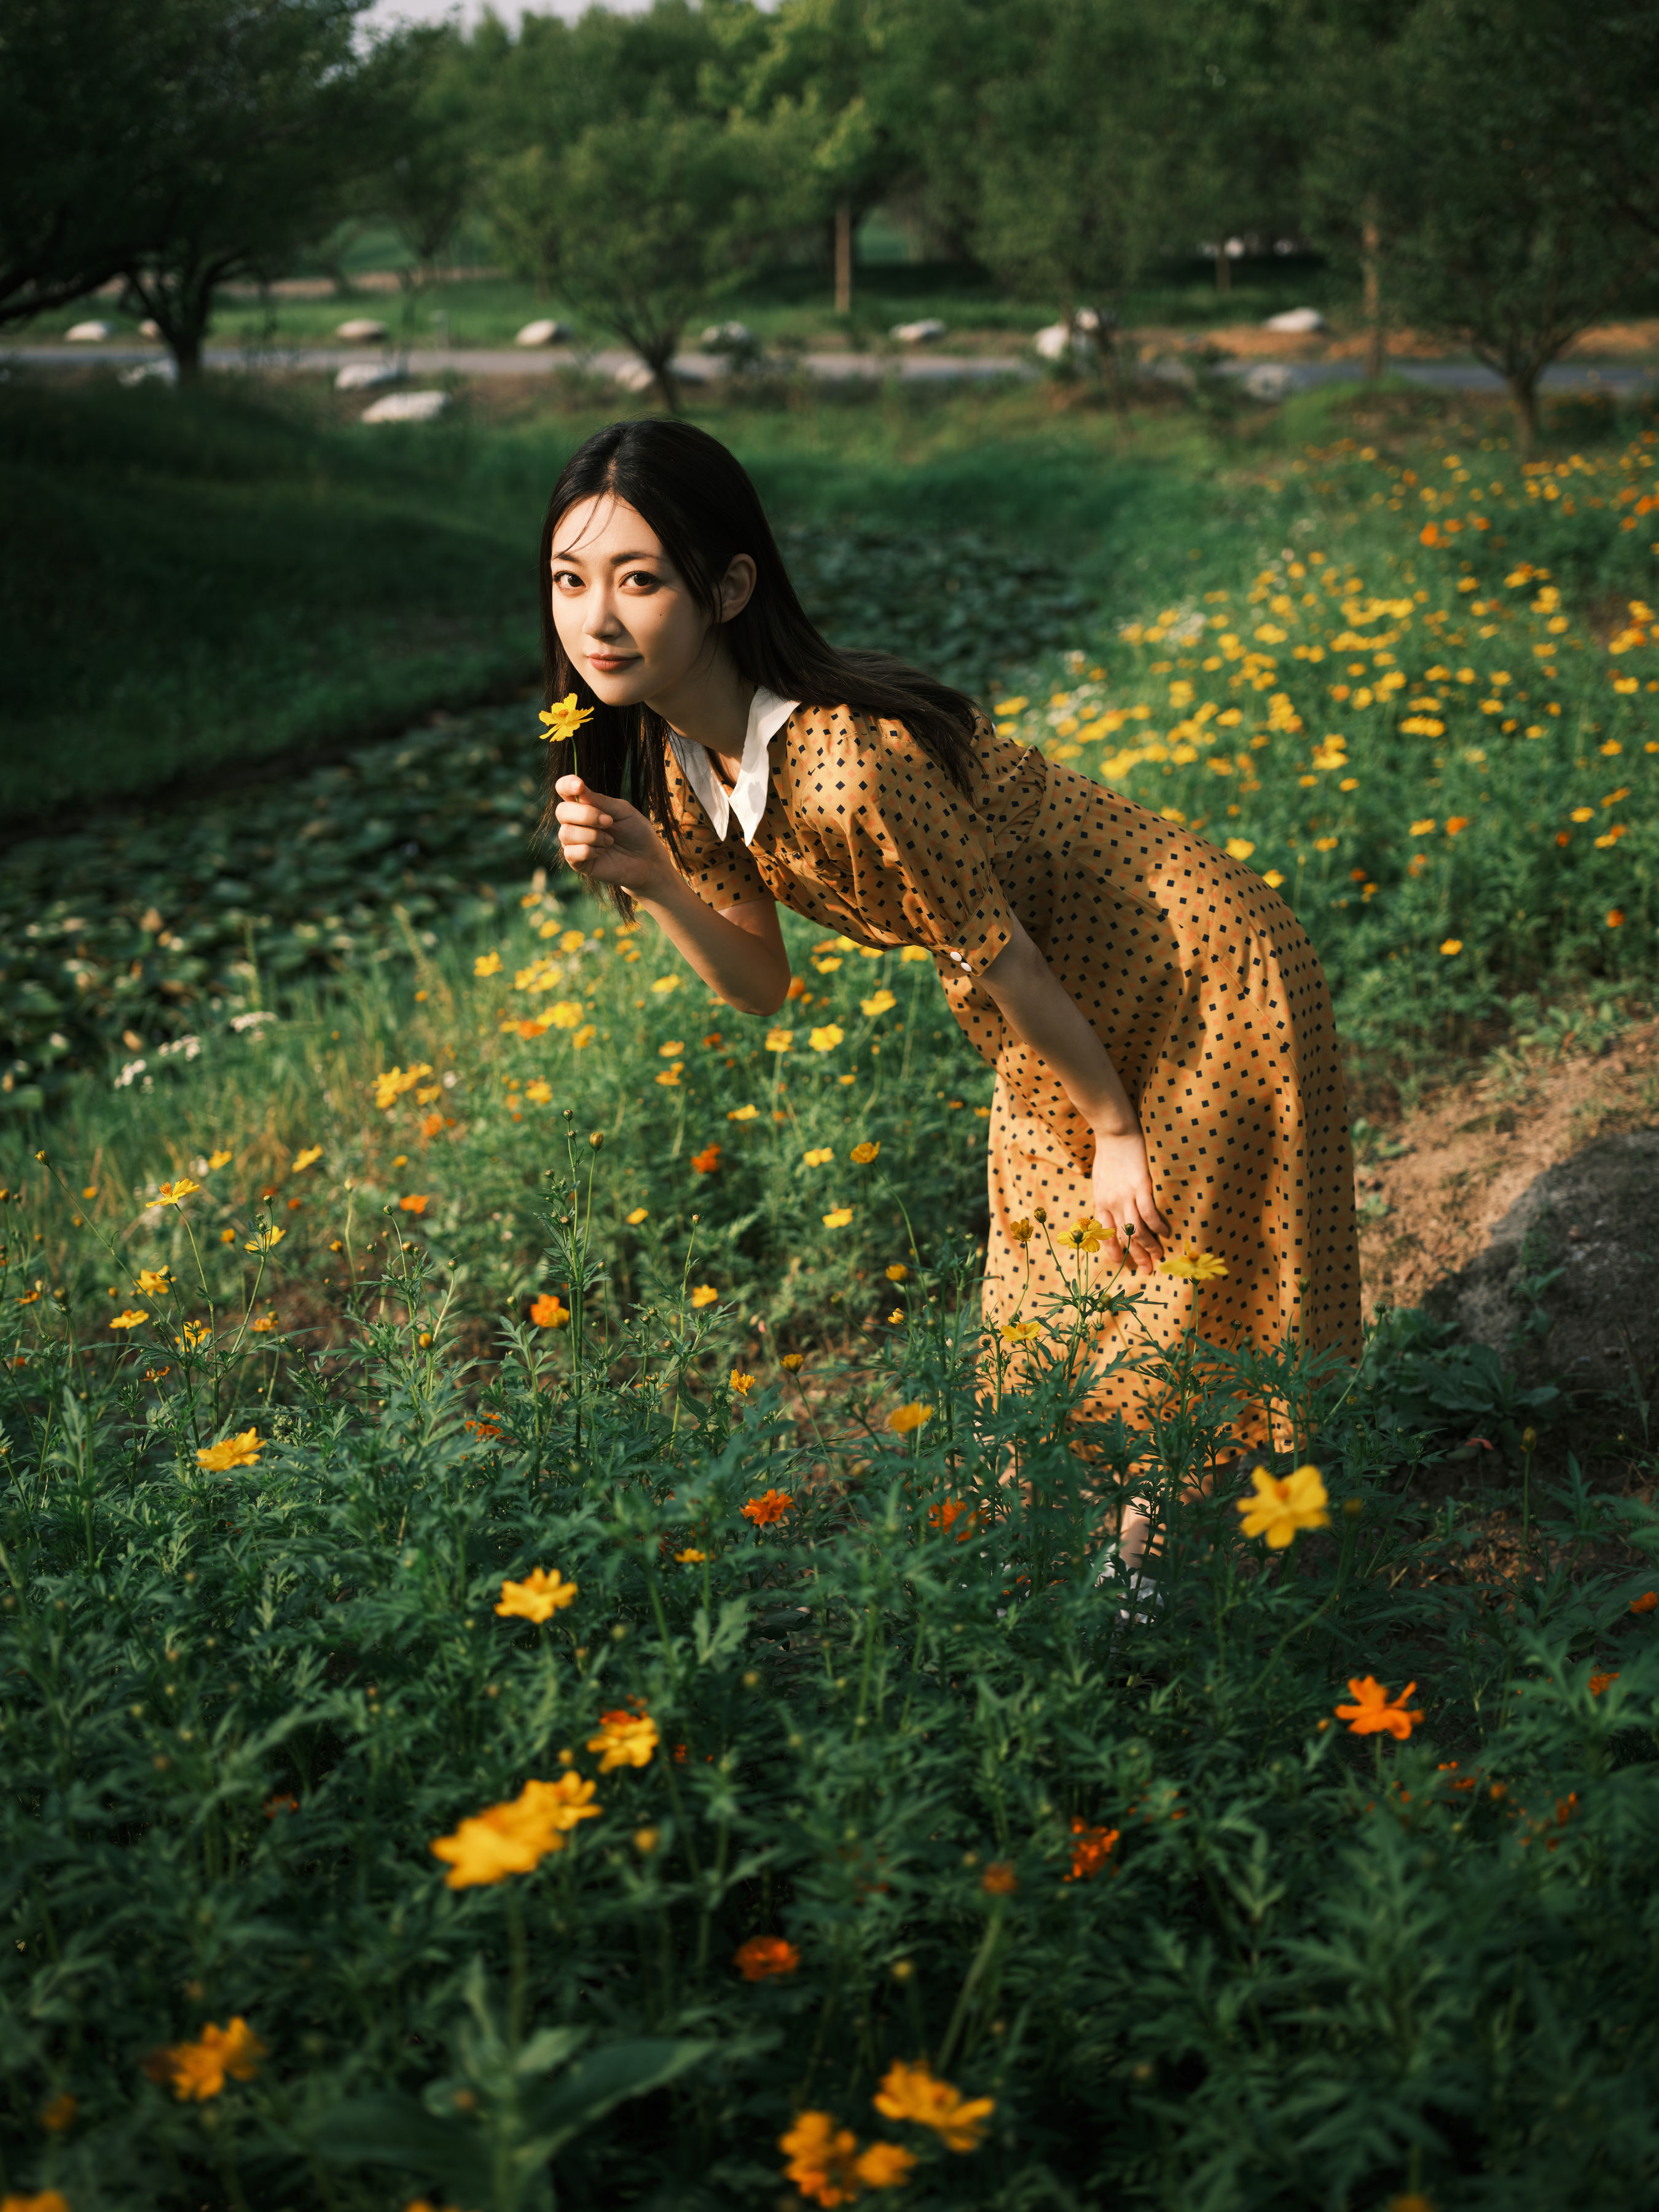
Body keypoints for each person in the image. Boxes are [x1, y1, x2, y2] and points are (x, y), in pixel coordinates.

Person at [543, 417, 1360, 1553]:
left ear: (728, 588)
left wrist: (1116, 1125)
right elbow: (763, 983)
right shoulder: (685, 769)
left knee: (1169, 1284)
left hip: (1193, 973)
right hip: (1050, 1022)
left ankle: (1147, 1610)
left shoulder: (850, 764)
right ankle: (1068, 1595)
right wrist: (659, 880)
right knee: (1040, 1306)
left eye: (639, 579)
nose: (596, 619)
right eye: (570, 579)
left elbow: (1005, 953)